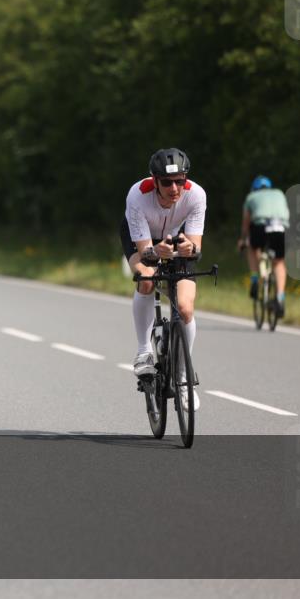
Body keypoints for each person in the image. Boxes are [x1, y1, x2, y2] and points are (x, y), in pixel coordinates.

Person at [120, 148, 206, 411]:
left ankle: (183, 381)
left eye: (179, 180)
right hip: (144, 241)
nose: (174, 188)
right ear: (154, 180)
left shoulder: (196, 195)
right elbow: (145, 251)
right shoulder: (138, 195)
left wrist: (188, 249)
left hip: (177, 242)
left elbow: (196, 248)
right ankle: (144, 350)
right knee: (146, 279)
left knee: (185, 308)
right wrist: (156, 253)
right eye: (167, 182)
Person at [237, 176, 290, 317]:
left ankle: (254, 279)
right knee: (279, 262)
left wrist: (242, 240)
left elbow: (246, 223)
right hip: (280, 227)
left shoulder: (251, 196)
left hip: (260, 227)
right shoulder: (279, 193)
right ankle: (280, 297)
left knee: (252, 247)